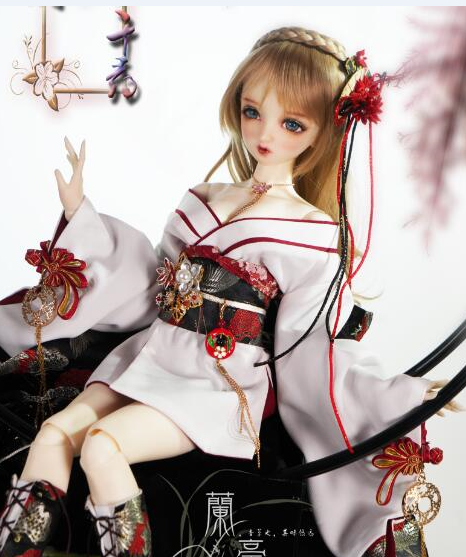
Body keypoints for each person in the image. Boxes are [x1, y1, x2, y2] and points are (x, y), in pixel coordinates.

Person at [0, 26, 462, 557]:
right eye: (252, 111)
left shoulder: (313, 235)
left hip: (215, 387)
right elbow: (151, 284)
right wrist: (84, 218)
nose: (266, 133)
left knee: (103, 447)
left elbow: (312, 347)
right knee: (54, 434)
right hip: (146, 358)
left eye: (292, 123)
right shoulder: (203, 198)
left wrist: (395, 396)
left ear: (322, 132)